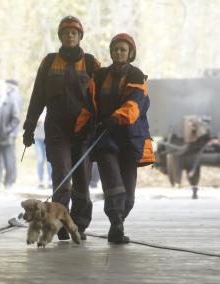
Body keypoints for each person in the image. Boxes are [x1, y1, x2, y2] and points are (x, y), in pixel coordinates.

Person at [22, 16, 100, 240]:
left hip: (85, 132)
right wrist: (29, 127)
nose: (70, 36)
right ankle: (58, 224)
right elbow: (37, 96)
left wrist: (104, 124)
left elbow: (101, 96)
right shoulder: (49, 62)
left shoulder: (91, 63)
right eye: (66, 32)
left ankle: (79, 225)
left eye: (74, 33)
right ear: (61, 36)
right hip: (57, 133)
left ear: (80, 36)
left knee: (83, 183)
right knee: (63, 179)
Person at [78, 33, 155, 244]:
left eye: (122, 49)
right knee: (113, 185)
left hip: (130, 139)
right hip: (105, 139)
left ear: (130, 53)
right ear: (111, 52)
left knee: (128, 194)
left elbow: (136, 105)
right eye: (115, 49)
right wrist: (80, 130)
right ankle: (116, 224)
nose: (118, 52)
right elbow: (88, 106)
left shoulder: (137, 76)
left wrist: (115, 118)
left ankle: (118, 222)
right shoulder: (100, 76)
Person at [34, 109, 52, 188]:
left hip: (48, 138)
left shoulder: (51, 107)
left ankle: (50, 180)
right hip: (37, 138)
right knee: (40, 160)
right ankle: (40, 181)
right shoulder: (37, 107)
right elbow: (30, 121)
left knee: (49, 161)